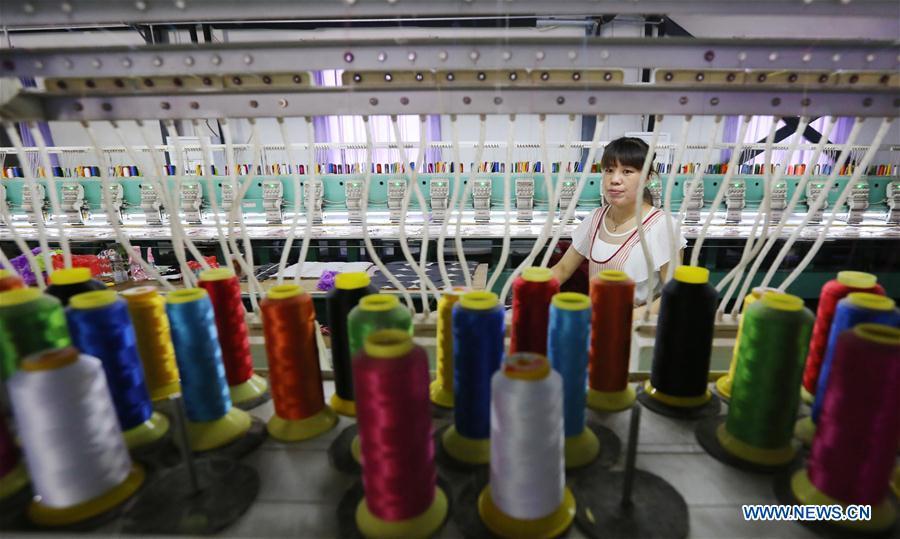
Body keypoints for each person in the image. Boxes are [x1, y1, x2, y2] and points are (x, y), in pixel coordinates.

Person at [550, 137, 686, 312]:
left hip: (637, 329)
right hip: (597, 322)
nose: (614, 179)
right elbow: (562, 269)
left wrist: (627, 318)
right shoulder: (595, 219)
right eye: (609, 170)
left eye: (627, 171)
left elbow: (674, 296)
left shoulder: (662, 227)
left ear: (647, 178)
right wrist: (533, 289)